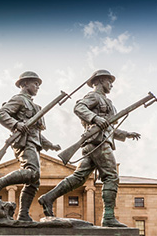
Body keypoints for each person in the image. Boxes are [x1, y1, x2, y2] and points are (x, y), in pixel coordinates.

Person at [37, 69, 140, 227]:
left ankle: (48, 197)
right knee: (111, 176)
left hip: (97, 141)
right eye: (108, 81)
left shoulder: (108, 102)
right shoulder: (94, 96)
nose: (111, 84)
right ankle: (108, 217)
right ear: (98, 81)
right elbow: (79, 107)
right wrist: (95, 118)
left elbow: (109, 128)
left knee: (79, 178)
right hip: (98, 142)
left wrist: (126, 134)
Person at [0, 71, 60, 221]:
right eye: (35, 83)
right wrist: (16, 124)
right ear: (25, 84)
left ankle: (23, 214)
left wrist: (49, 145)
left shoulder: (34, 105)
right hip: (23, 141)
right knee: (32, 173)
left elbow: (36, 132)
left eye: (38, 84)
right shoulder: (19, 99)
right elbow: (1, 114)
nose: (37, 87)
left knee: (34, 181)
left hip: (33, 142)